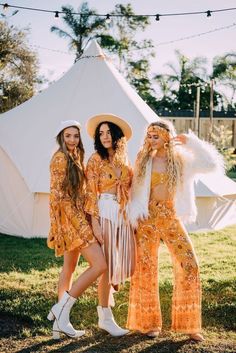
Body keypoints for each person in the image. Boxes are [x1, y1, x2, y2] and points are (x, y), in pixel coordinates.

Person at [127, 119, 224, 341]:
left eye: (156, 136)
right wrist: (134, 216)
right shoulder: (143, 159)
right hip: (147, 219)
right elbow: (134, 191)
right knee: (146, 267)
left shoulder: (181, 160)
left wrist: (191, 141)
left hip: (170, 217)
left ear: (167, 137)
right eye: (149, 136)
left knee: (189, 264)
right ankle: (149, 323)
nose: (151, 140)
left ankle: (189, 326)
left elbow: (211, 164)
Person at [47, 120, 107, 339]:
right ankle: (61, 310)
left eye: (75, 136)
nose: (72, 140)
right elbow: (58, 197)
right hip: (72, 223)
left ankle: (58, 326)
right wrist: (80, 225)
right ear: (61, 138)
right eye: (67, 136)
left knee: (69, 269)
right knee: (100, 264)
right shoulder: (61, 158)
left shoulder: (75, 157)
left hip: (74, 219)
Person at [85, 114, 136, 337]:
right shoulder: (95, 159)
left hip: (122, 215)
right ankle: (105, 317)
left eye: (108, 132)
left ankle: (109, 295)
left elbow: (131, 188)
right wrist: (94, 223)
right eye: (101, 133)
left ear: (116, 135)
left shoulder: (124, 159)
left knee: (125, 262)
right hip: (104, 211)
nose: (104, 136)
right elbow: (90, 193)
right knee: (107, 264)